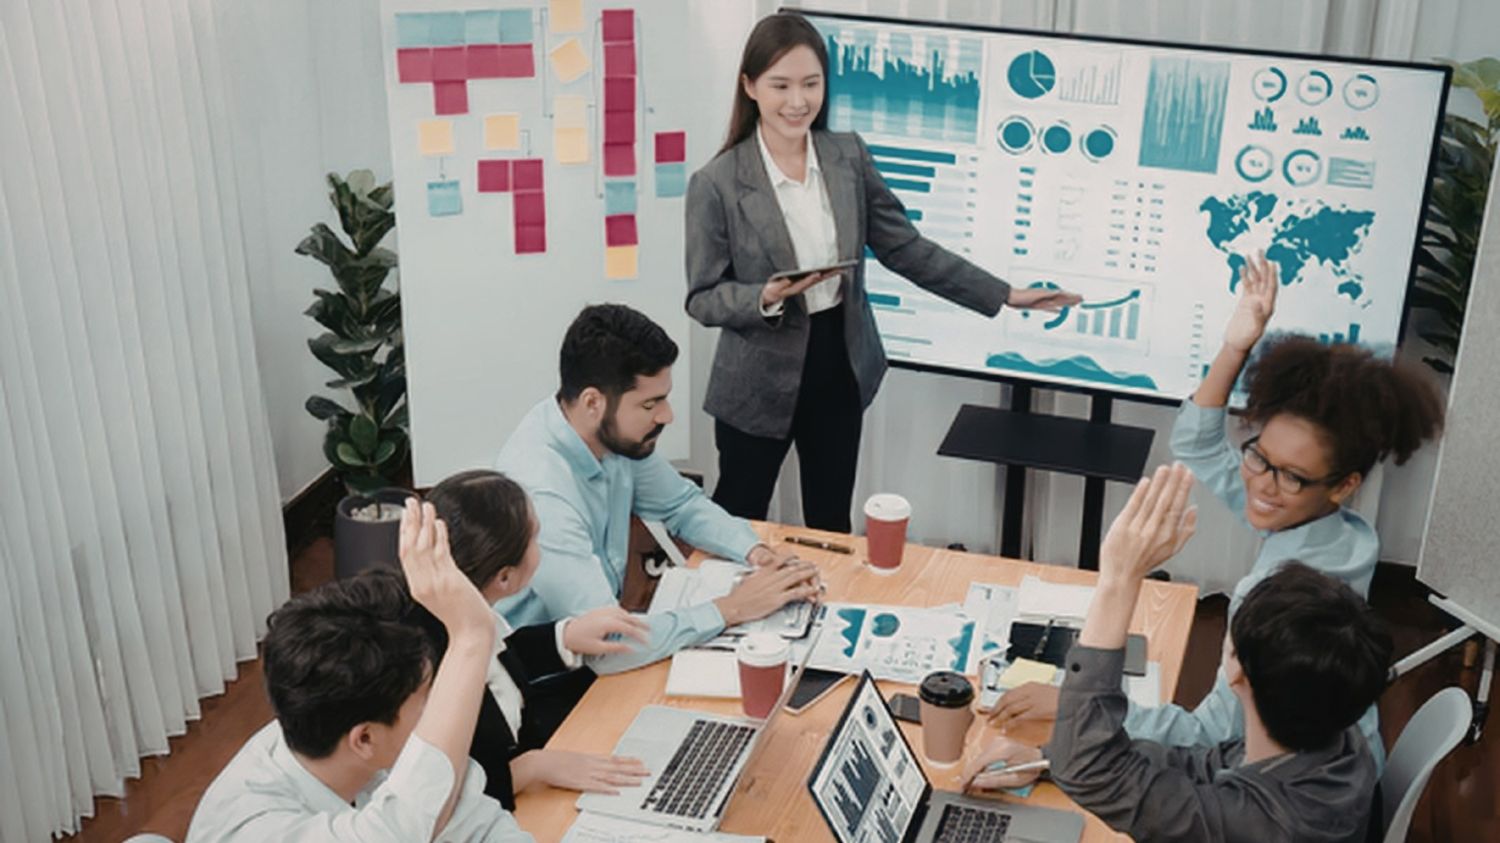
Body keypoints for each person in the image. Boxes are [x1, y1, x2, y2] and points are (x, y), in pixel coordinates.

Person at [988, 253, 1443, 770]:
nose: (1263, 486)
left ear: (1345, 485)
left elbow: (1210, 736)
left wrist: (1074, 704)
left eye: (1290, 475)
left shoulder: (1282, 591)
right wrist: (1235, 346)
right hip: (1340, 767)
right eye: (1259, 456)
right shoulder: (1337, 530)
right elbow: (1199, 444)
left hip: (1291, 792)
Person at [684, 11, 1079, 533]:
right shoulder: (717, 182)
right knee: (738, 522)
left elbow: (906, 248)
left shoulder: (847, 156)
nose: (797, 101)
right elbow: (703, 297)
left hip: (838, 364)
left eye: (811, 83)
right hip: (755, 376)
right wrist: (765, 296)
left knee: (830, 522)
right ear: (750, 86)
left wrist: (1004, 294)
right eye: (780, 85)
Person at [966, 464, 1393, 842]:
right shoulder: (1331, 736)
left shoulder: (1253, 822)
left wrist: (1120, 578)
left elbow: (1092, 772)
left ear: (1237, 675)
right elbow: (1196, 764)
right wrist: (1047, 759)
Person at [495, 303, 821, 674]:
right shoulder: (543, 495)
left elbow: (681, 506)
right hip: (547, 681)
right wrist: (733, 608)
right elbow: (608, 644)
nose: (667, 416)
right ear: (593, 402)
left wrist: (755, 552)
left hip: (611, 636)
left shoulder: (608, 436)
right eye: (651, 403)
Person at [187, 501, 531, 842]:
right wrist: (472, 635)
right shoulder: (255, 830)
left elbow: (475, 818)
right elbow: (401, 828)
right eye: (426, 699)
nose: (437, 713)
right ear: (364, 739)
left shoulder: (351, 727)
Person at [416, 469, 654, 808]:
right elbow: (444, 795)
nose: (540, 546)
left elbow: (504, 658)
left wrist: (565, 637)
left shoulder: (468, 609)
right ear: (504, 577)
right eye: (535, 538)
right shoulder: (435, 665)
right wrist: (529, 769)